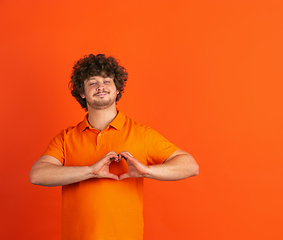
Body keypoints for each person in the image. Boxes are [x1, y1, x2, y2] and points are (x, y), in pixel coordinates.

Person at [29, 54, 199, 240]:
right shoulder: (66, 138)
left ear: (117, 89)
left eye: (107, 81)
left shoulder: (141, 133)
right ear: (82, 93)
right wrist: (90, 171)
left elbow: (190, 166)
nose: (100, 86)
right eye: (92, 82)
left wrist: (146, 171)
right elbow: (38, 174)